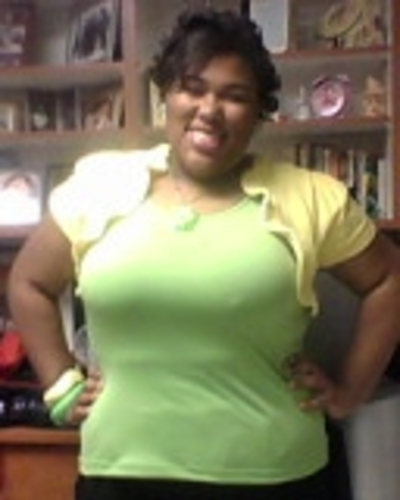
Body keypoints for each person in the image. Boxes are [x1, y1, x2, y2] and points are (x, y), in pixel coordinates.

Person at [7, 7, 400, 500]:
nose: (209, 109)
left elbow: (389, 279)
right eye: (193, 88)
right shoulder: (100, 183)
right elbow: (29, 282)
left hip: (274, 475)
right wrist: (61, 385)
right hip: (122, 473)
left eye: (235, 96)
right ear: (166, 95)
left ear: (258, 113)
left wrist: (349, 393)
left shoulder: (311, 197)